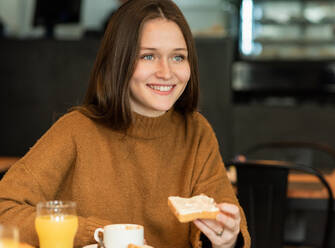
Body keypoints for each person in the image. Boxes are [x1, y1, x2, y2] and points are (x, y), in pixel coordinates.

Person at [0, 0, 250, 247]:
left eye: (178, 57)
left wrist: (226, 240)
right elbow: (4, 207)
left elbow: (232, 229)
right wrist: (100, 234)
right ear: (118, 61)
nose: (166, 72)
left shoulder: (196, 132)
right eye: (149, 56)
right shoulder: (75, 130)